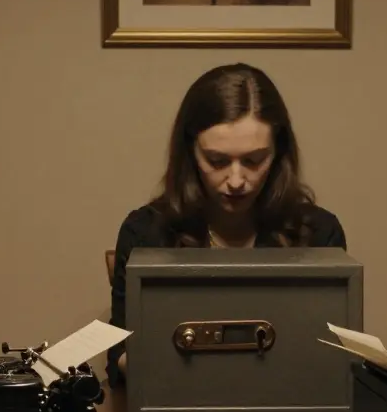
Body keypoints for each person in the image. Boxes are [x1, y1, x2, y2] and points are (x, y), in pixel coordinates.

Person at [104, 62, 348, 389]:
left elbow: (329, 362)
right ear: (190, 153)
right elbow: (119, 354)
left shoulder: (318, 233)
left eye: (254, 160)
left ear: (278, 153)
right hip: (177, 411)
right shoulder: (147, 232)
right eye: (217, 161)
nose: (236, 181)